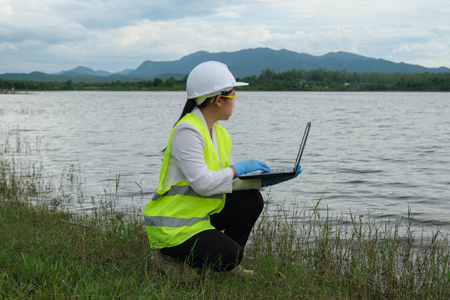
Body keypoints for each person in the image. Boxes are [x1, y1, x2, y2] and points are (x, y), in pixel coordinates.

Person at [144, 61, 302, 275]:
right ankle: (167, 257)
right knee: (231, 254)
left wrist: (263, 181)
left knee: (252, 200)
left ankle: (228, 267)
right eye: (233, 96)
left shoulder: (220, 134)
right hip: (174, 227)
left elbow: (222, 181)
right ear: (219, 100)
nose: (235, 102)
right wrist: (239, 168)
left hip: (201, 215)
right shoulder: (187, 131)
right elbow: (203, 183)